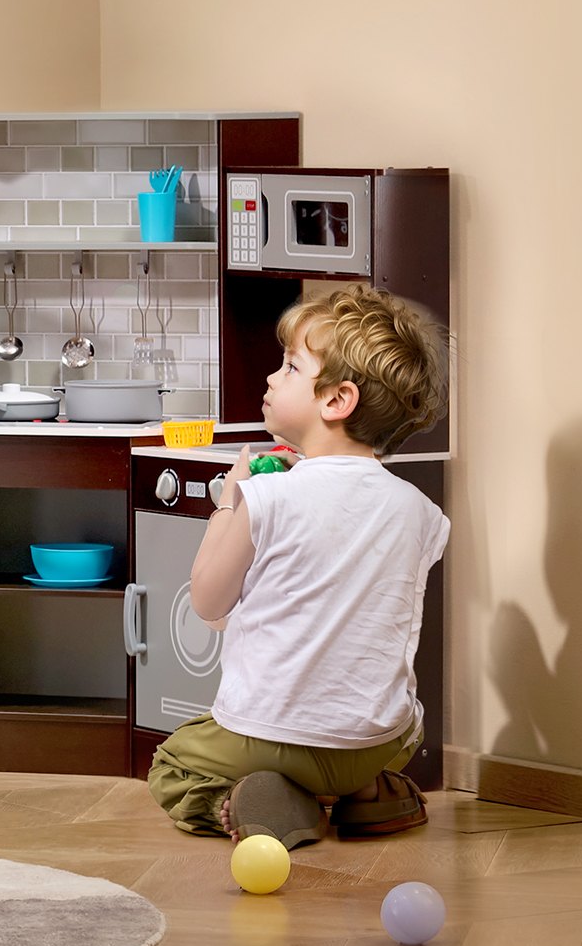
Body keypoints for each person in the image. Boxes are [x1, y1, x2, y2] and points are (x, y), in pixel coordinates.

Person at [146, 284, 450, 848]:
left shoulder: (269, 497)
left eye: (290, 367)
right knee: (407, 717)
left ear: (337, 401)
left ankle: (270, 804)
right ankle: (367, 792)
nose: (271, 378)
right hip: (376, 742)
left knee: (172, 766)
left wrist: (229, 500)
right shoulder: (421, 511)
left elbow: (208, 602)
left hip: (268, 737)